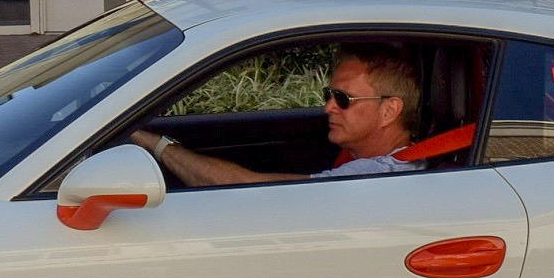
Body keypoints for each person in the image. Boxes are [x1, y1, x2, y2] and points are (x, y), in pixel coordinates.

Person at [129, 46, 421, 188]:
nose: (328, 108)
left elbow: (248, 189)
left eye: (343, 99)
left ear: (389, 110)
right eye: (327, 95)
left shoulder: (377, 177)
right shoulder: (385, 163)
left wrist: (156, 145)